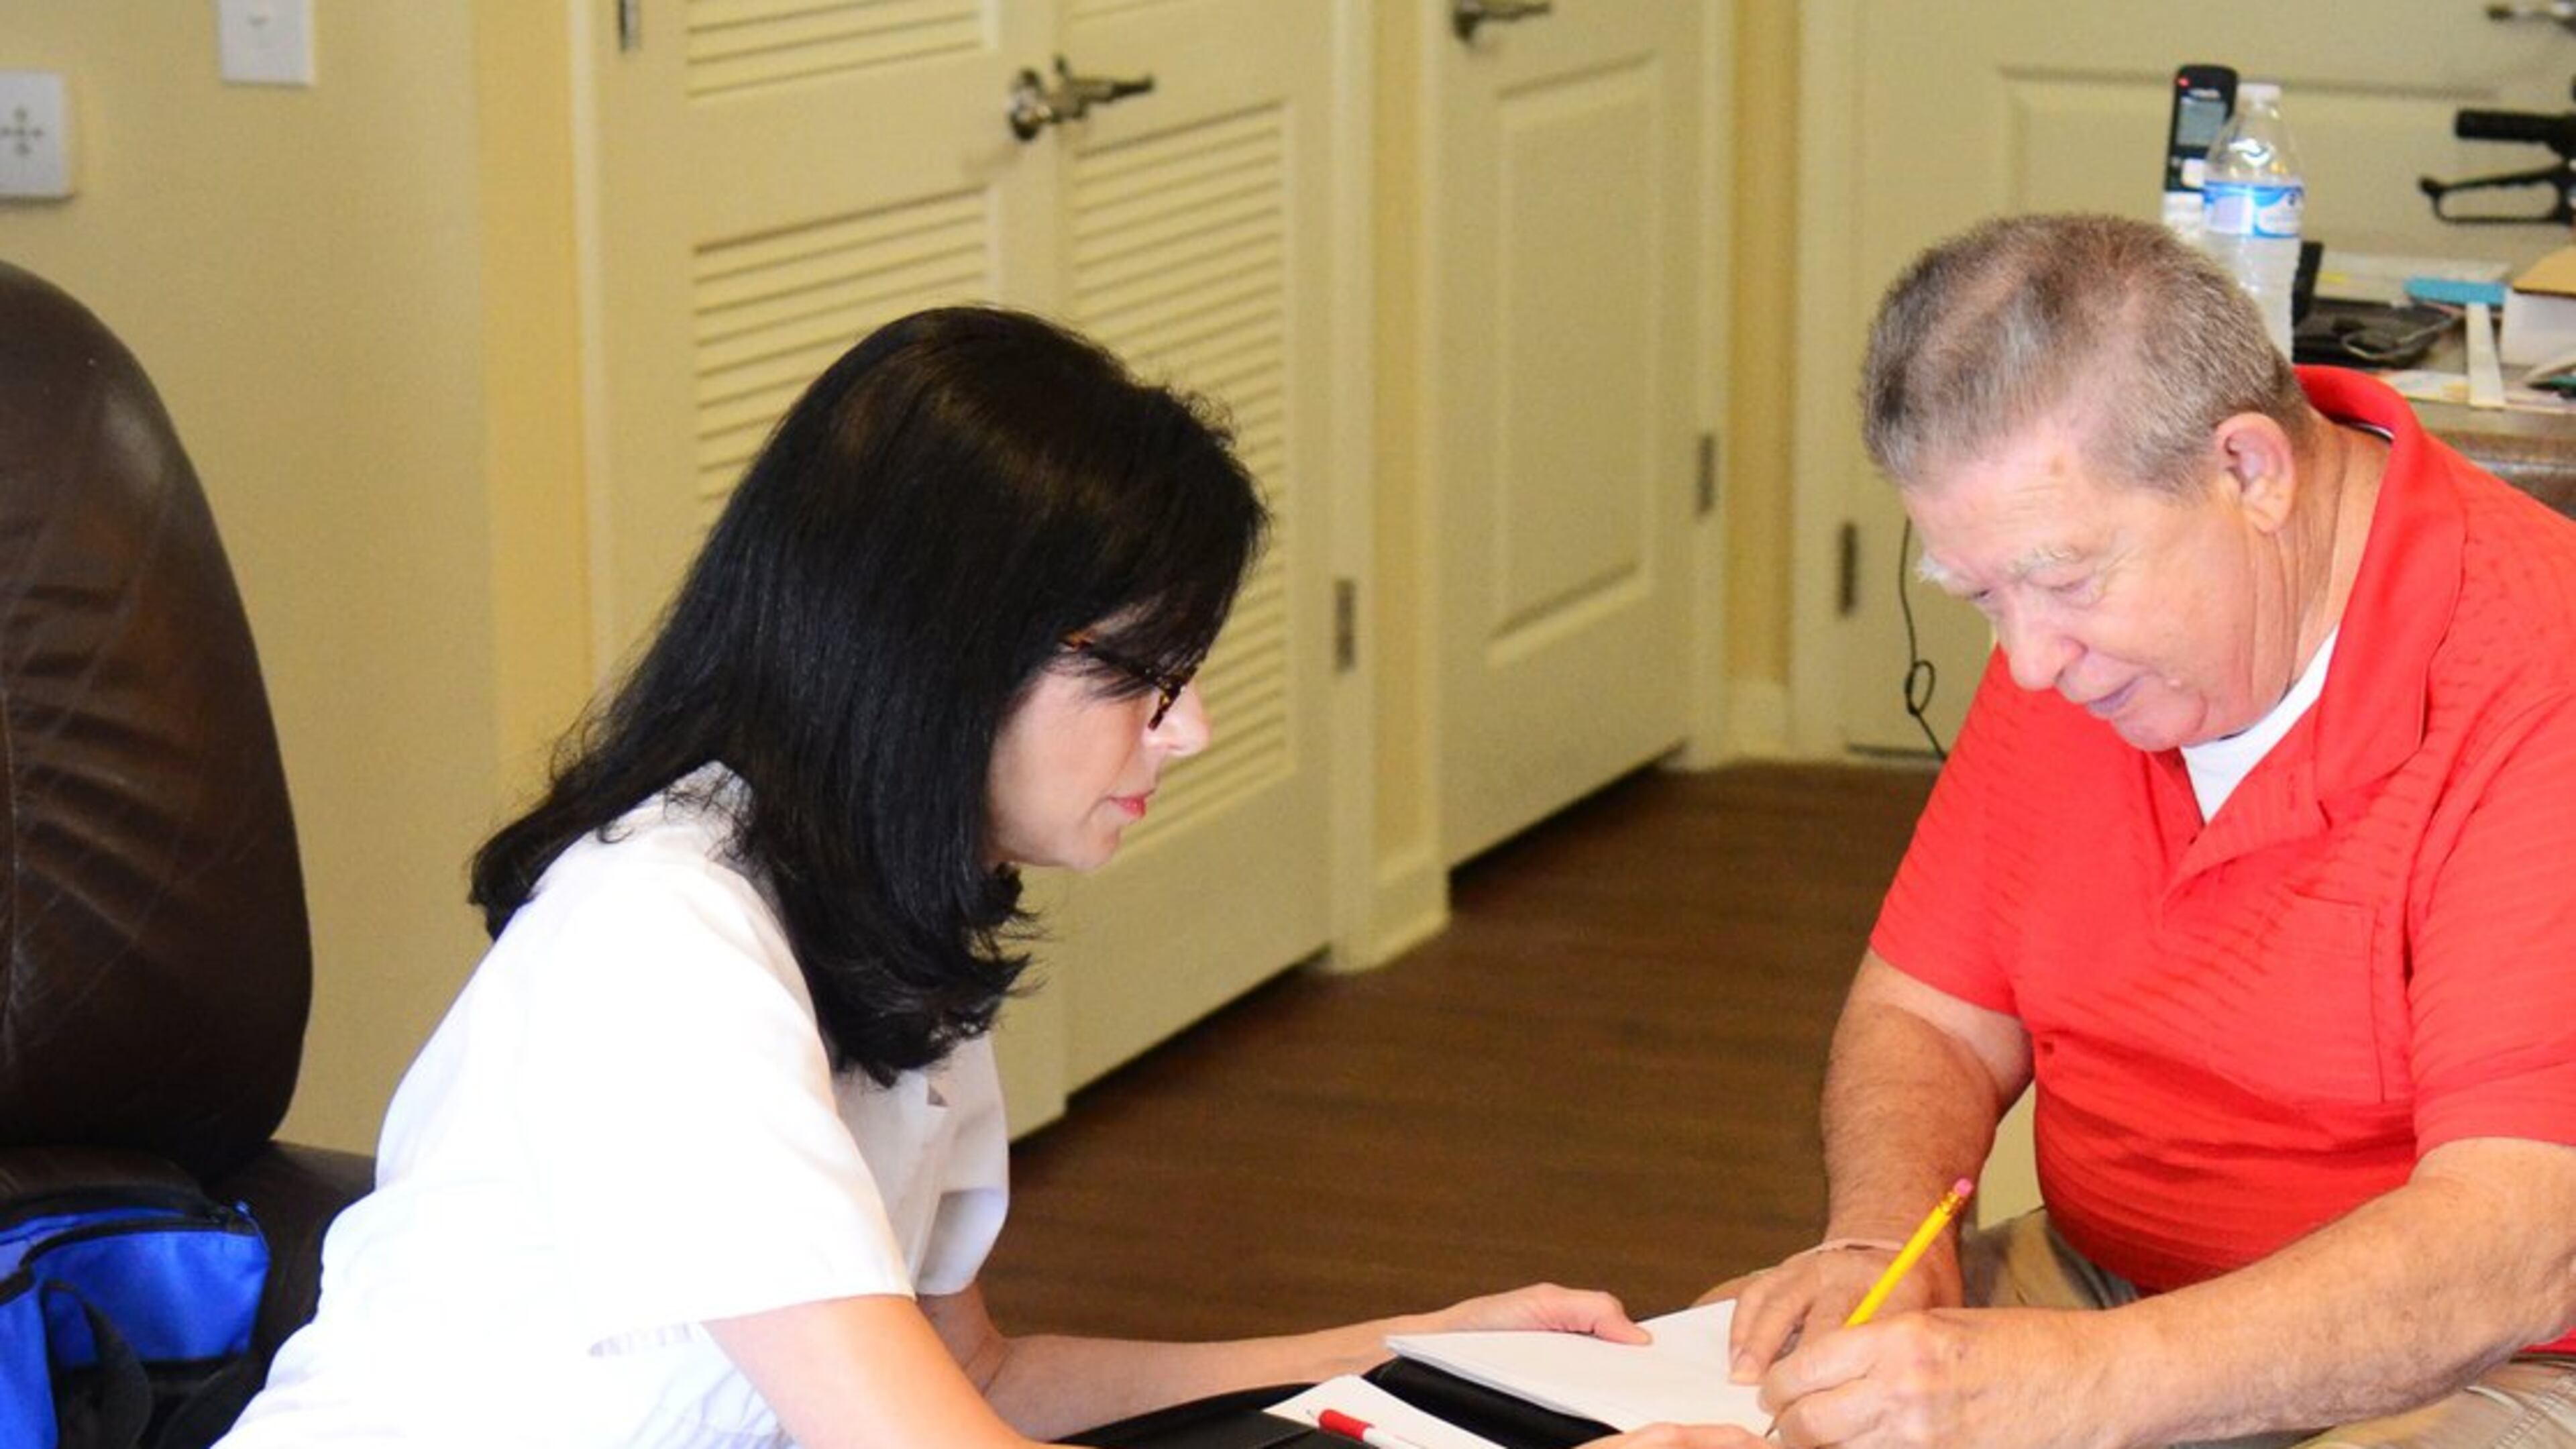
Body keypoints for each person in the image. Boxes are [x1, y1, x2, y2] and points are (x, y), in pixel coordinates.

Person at [215, 307, 1727, 1448]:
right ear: (943, 658)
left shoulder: (883, 910)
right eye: (1145, 676)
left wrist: (1408, 1347)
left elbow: (976, 1382)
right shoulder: (661, 945)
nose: (1188, 729)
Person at [1707, 214, 2576, 1449]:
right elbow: (1928, 1018)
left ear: (2250, 471)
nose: (2028, 663)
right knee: (1732, 1414)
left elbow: (2516, 1247)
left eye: (2064, 580)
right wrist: (1883, 1244)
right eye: (1981, 596)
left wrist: (2087, 1388)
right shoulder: (2084, 648)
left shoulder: (2541, 679)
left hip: (2487, 1360)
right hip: (2114, 1299)